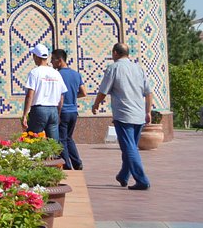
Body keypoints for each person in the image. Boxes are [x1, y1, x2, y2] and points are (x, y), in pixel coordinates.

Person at [92, 43, 152, 190]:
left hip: (124, 114)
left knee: (130, 148)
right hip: (138, 115)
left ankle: (142, 180)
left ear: (115, 53)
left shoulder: (114, 68)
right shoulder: (138, 69)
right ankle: (124, 175)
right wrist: (148, 111)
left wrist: (96, 104)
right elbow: (148, 92)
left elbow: (103, 90)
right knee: (129, 147)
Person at [51, 49, 86, 170]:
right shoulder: (76, 74)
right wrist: (72, 96)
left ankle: (67, 164)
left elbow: (59, 96)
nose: (51, 63)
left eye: (53, 60)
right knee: (69, 138)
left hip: (63, 111)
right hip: (73, 111)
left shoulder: (57, 75)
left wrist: (58, 113)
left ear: (59, 60)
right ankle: (77, 162)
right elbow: (83, 92)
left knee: (61, 139)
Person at [21, 43, 63, 142]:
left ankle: (35, 157)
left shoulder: (35, 72)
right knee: (53, 143)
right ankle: (54, 157)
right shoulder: (56, 73)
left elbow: (30, 95)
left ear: (36, 57)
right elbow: (61, 96)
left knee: (32, 140)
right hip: (53, 109)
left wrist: (25, 114)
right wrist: (58, 113)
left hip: (39, 110)